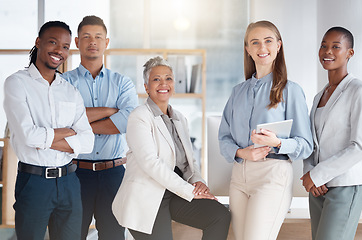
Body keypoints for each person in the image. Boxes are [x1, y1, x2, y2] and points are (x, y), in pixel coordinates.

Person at [112, 56, 231, 240]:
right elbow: (150, 163)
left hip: (174, 191)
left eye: (168, 78)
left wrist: (198, 182)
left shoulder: (180, 118)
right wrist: (189, 191)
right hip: (148, 195)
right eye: (156, 79)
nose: (163, 83)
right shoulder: (139, 117)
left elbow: (189, 161)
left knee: (219, 215)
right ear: (146, 87)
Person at [218, 20, 313, 240]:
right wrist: (242, 153)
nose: (262, 48)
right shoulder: (237, 92)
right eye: (255, 42)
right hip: (239, 178)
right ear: (247, 49)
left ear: (278, 46)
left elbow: (306, 145)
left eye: (268, 41)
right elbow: (223, 137)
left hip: (272, 175)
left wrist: (278, 142)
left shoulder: (291, 90)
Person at [3, 21, 94, 240]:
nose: (59, 51)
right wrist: (68, 131)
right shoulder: (16, 83)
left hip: (69, 182)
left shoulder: (70, 90)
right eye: (53, 42)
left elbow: (88, 142)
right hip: (34, 182)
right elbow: (28, 136)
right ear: (38, 42)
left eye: (64, 46)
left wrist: (45, 136)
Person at [62, 15, 138, 240]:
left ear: (107, 42)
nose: (92, 41)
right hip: (75, 173)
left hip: (113, 174)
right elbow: (62, 122)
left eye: (98, 37)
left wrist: (80, 125)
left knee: (114, 235)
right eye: (86, 36)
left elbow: (128, 121)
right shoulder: (63, 82)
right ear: (77, 42)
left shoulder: (122, 83)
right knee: (71, 235)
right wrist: (110, 110)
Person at [301, 27, 362, 240]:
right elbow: (311, 142)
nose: (327, 51)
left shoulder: (358, 90)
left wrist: (317, 174)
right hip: (318, 189)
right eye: (324, 45)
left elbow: (359, 147)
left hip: (345, 185)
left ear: (350, 53)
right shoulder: (318, 97)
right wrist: (310, 173)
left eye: (335, 46)